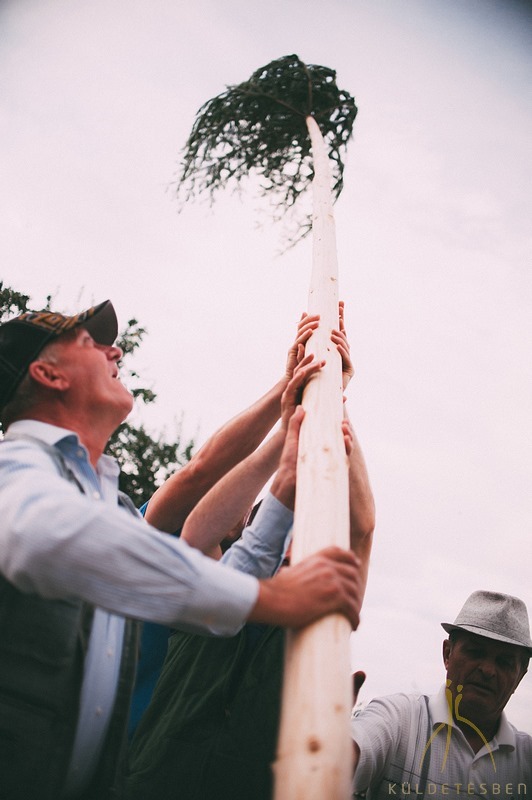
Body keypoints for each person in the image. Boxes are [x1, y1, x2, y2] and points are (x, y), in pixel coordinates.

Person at [0, 300, 364, 800]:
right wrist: (278, 599)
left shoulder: (113, 505)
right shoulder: (15, 471)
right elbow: (45, 533)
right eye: (89, 342)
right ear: (48, 374)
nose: (115, 350)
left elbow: (215, 609)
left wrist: (289, 465)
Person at [124, 307, 375, 800]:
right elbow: (201, 520)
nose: (288, 540)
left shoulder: (315, 618)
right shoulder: (211, 583)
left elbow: (362, 528)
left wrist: (331, 400)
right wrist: (299, 413)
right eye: (277, 522)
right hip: (153, 782)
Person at [351, 591, 532, 797]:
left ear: (519, 676)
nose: (488, 670)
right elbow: (344, 754)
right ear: (447, 653)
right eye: (476, 652)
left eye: (504, 662)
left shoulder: (526, 760)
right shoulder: (398, 720)